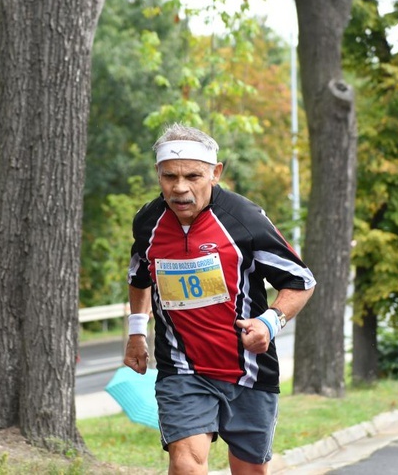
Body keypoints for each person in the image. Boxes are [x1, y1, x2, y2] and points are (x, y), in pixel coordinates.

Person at [124, 123, 316, 474]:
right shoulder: (148, 222)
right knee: (186, 466)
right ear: (158, 174)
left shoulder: (245, 220)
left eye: (193, 176)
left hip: (249, 369)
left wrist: (269, 322)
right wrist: (137, 332)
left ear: (216, 173)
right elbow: (138, 276)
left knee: (249, 471)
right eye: (169, 177)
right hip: (182, 369)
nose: (179, 188)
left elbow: (301, 281)